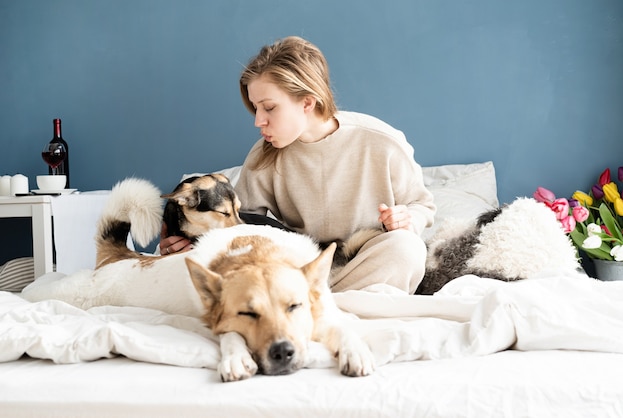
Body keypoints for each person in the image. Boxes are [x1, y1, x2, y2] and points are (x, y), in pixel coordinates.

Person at [160, 36, 435, 294]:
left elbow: (422, 205)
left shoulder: (382, 142)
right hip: (297, 269)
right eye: (255, 108)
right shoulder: (262, 157)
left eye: (268, 107)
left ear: (307, 101)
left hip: (363, 261)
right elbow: (238, 231)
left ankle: (311, 305)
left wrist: (408, 219)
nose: (258, 121)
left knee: (406, 248)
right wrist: (185, 245)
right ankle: (324, 304)